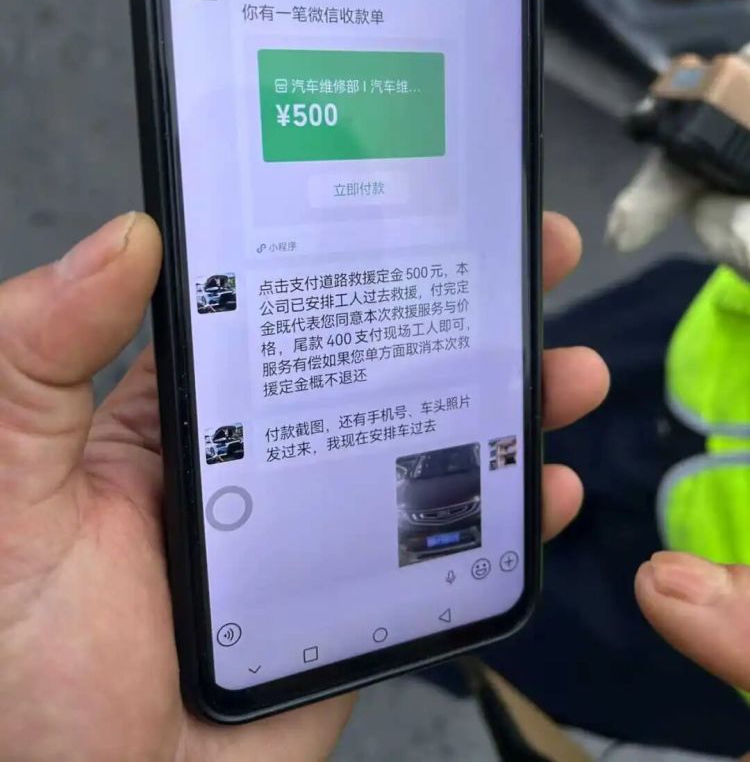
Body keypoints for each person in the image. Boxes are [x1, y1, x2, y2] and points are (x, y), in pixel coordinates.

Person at [0, 209, 740, 761]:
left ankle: (421, 645)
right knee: (454, 412)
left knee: (470, 600)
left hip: (678, 635)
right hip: (679, 352)